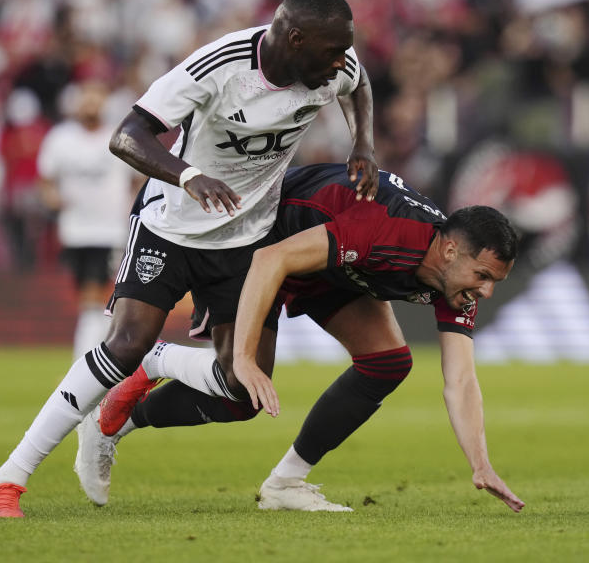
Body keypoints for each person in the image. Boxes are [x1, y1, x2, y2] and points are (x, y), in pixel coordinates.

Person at [0, 0, 379, 518]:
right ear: (296, 38)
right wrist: (189, 175)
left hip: (248, 242)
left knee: (243, 391)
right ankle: (8, 480)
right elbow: (127, 135)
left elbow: (358, 86)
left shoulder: (334, 65)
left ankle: (126, 401)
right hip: (170, 227)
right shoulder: (221, 65)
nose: (340, 63)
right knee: (122, 345)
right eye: (332, 52)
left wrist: (364, 145)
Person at [78, 163, 525, 513]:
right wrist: (246, 360)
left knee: (387, 362)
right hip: (258, 241)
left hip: (325, 265)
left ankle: (286, 484)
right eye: (482, 276)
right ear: (450, 250)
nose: (484, 291)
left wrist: (480, 464)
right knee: (241, 394)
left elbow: (461, 380)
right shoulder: (386, 229)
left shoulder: (456, 280)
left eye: (493, 283)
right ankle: (142, 377)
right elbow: (273, 260)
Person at [37, 81, 137, 362]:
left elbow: (137, 180)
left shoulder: (118, 137)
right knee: (88, 297)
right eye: (86, 98)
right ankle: (98, 358)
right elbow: (45, 180)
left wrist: (131, 210)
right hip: (74, 231)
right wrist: (52, 198)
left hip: (109, 231)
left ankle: (84, 361)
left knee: (96, 296)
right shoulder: (60, 139)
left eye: (96, 98)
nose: (90, 104)